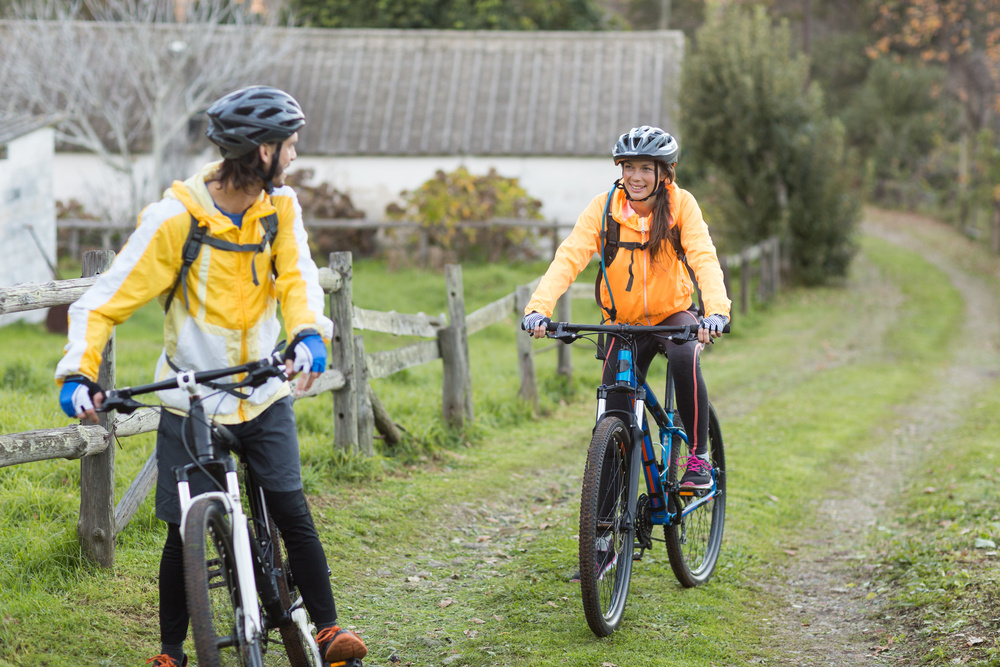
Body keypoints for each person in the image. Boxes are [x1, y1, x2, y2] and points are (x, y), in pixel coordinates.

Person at [55, 86, 367, 667]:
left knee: (290, 505)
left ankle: (326, 628)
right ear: (261, 151)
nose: (295, 157)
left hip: (264, 389)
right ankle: (173, 651)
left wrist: (308, 335)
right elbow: (103, 302)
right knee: (181, 531)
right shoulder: (175, 219)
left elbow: (298, 280)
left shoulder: (281, 209)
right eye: (290, 146)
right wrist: (77, 373)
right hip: (190, 398)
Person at [522, 125, 731, 491]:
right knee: (613, 411)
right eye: (629, 167)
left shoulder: (682, 206)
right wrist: (539, 308)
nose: (636, 177)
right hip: (622, 322)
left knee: (685, 357)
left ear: (664, 173)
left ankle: (697, 457)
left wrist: (715, 312)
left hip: (673, 316)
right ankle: (603, 536)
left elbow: (704, 259)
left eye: (646, 168)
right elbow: (569, 257)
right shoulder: (603, 210)